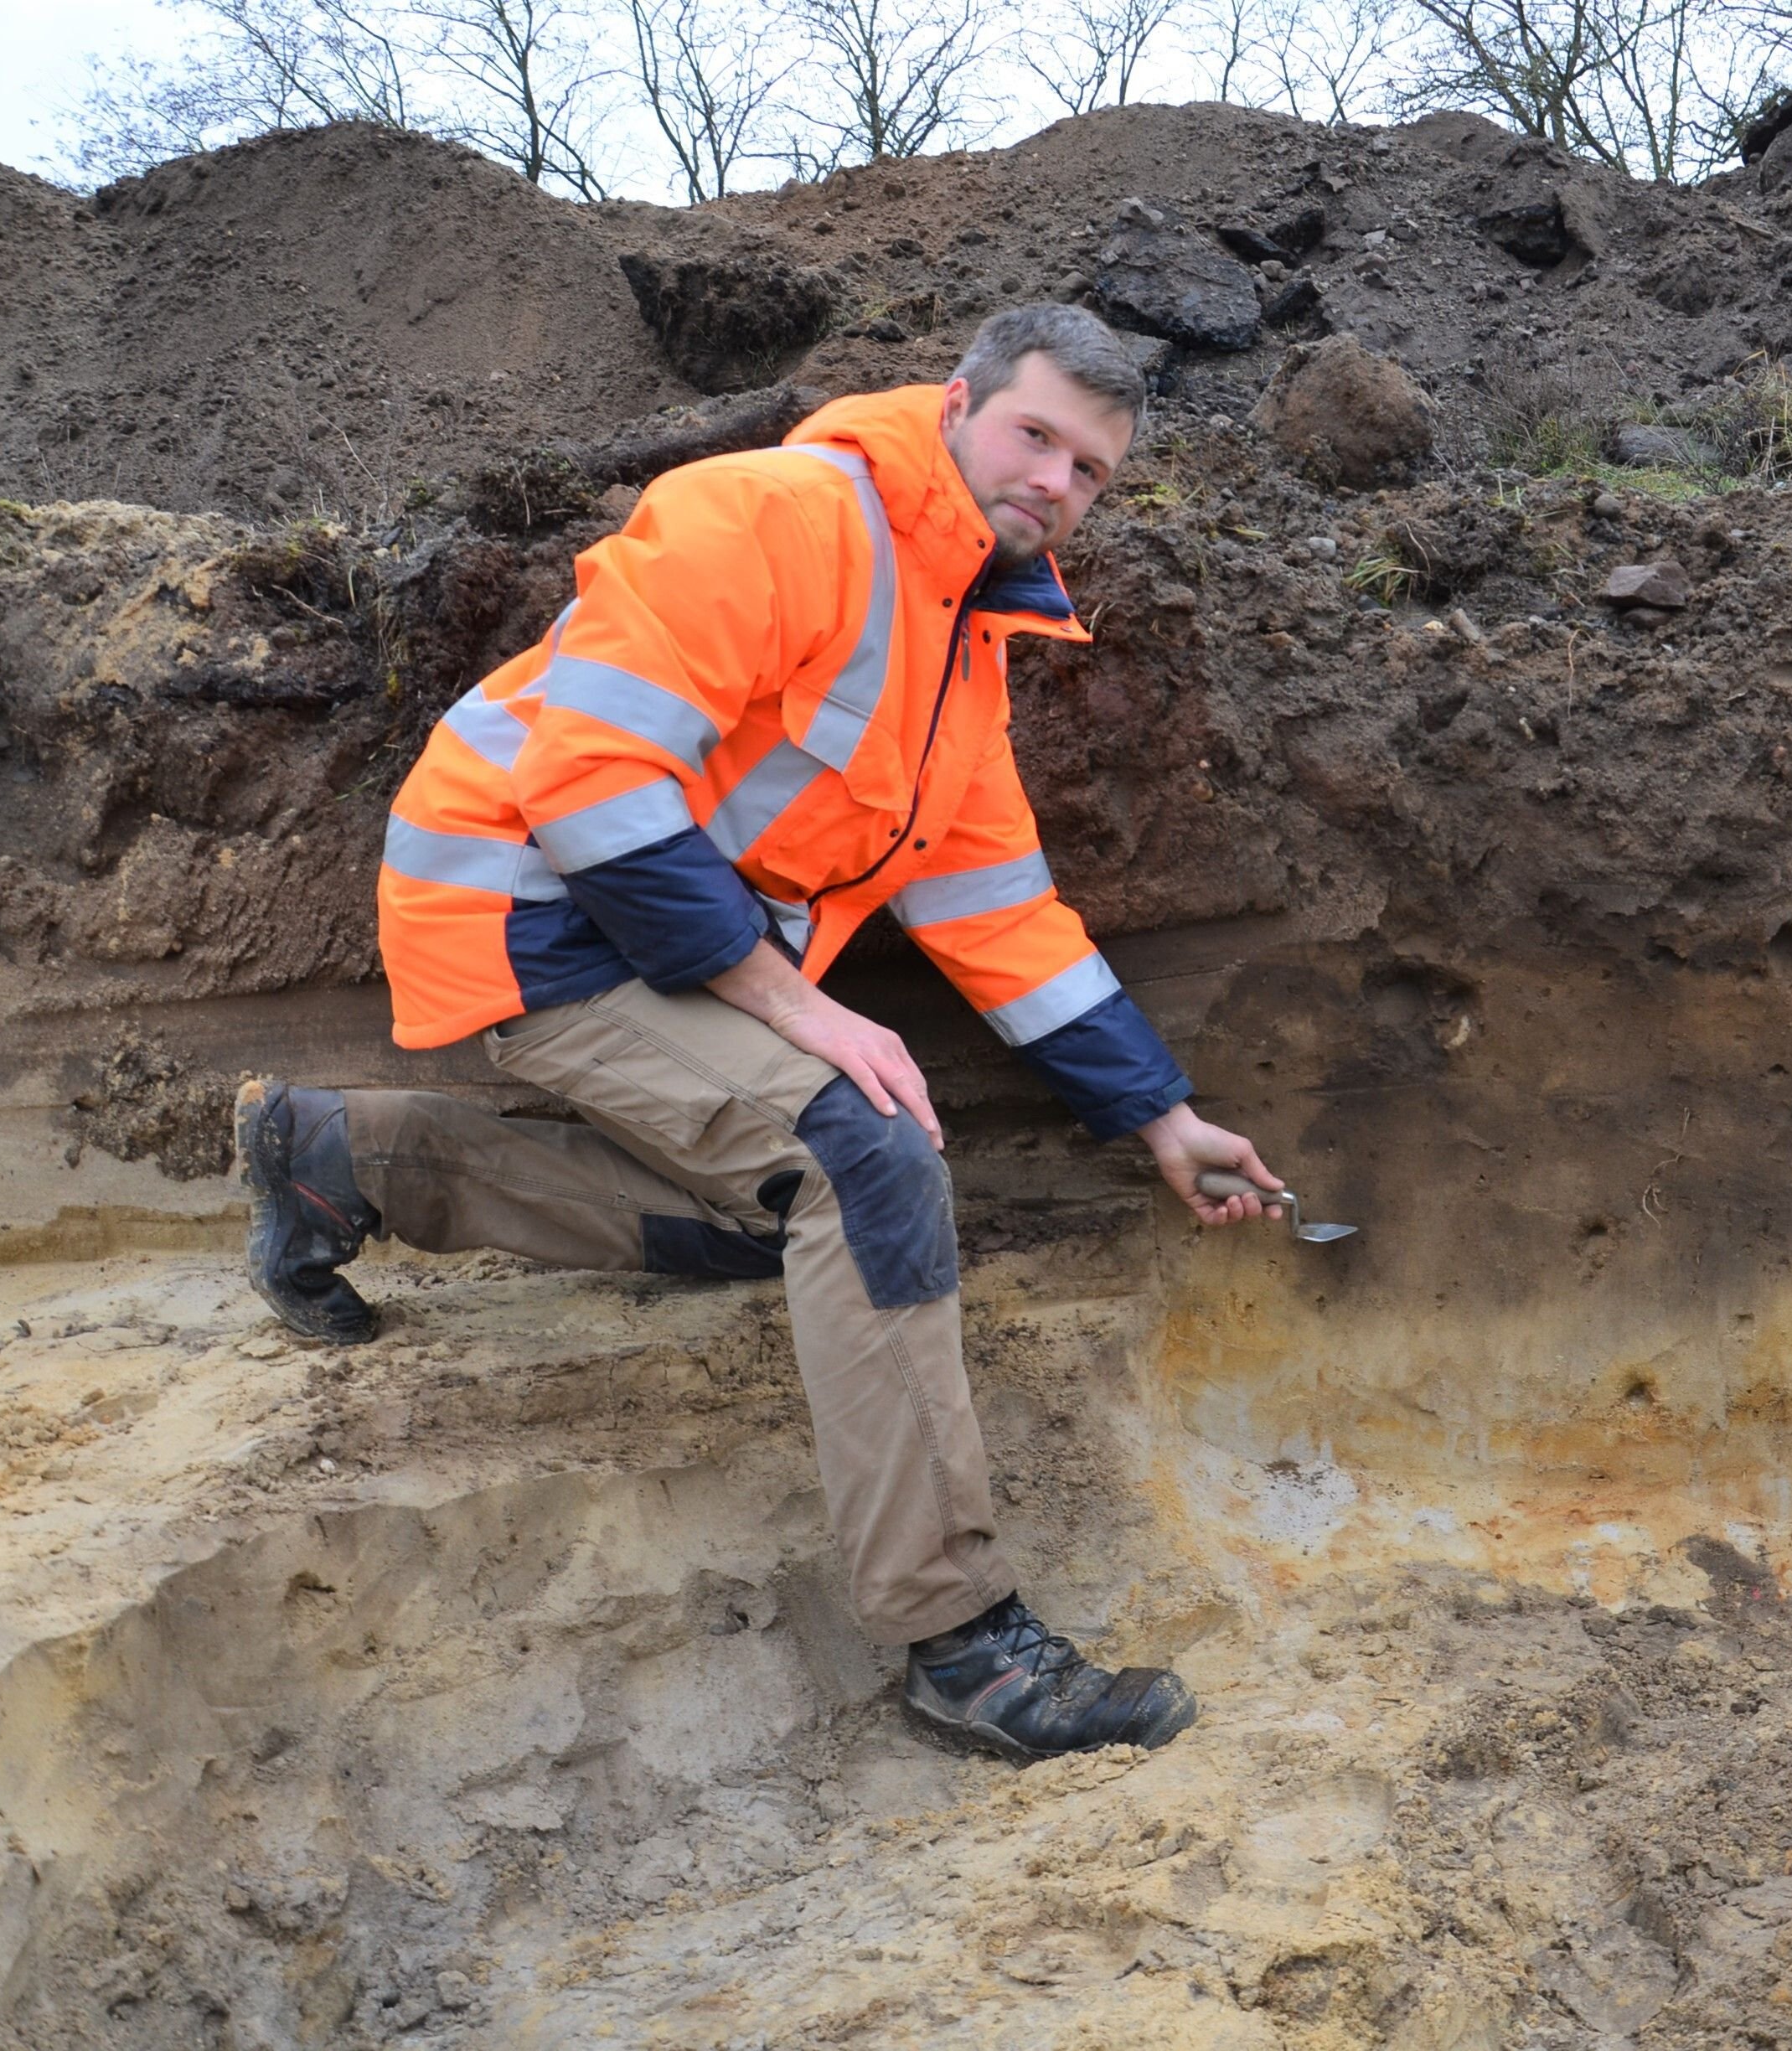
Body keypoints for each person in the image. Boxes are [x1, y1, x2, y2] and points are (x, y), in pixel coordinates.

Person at [234, 304, 1285, 1762]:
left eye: (1092, 469)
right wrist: (798, 1010)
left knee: (784, 1224)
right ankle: (963, 1645)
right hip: (527, 908)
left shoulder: (955, 661)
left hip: (645, 937)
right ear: (959, 404)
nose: (1056, 480)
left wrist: (1162, 1118)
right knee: (862, 1159)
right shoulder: (777, 515)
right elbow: (592, 784)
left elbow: (1002, 916)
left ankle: (339, 1156)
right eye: (1035, 434)